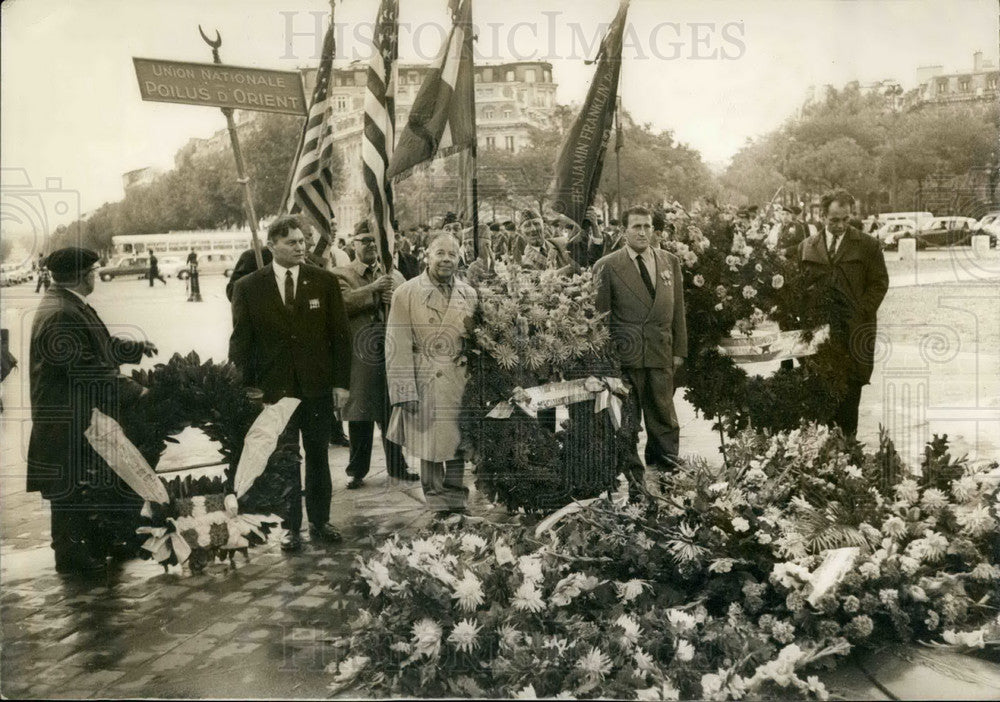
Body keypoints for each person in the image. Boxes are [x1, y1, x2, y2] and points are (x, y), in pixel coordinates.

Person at [27, 247, 158, 573]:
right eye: (93, 272)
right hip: (67, 415)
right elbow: (87, 369)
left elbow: (97, 345)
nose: (95, 277)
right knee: (70, 486)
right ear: (82, 275)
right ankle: (70, 556)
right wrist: (137, 391)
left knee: (88, 479)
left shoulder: (68, 304)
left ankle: (103, 542)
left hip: (77, 412)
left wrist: (134, 348)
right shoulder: (62, 313)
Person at [229, 214, 353, 552]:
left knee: (317, 455)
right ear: (272, 246)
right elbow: (241, 342)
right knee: (285, 459)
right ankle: (290, 527)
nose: (300, 247)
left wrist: (341, 384)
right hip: (274, 390)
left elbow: (340, 337)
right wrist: (245, 387)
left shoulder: (324, 281)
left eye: (302, 241)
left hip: (316, 387)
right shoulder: (248, 287)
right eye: (291, 242)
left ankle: (320, 521)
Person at [594, 206, 688, 481]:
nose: (643, 232)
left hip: (661, 351)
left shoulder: (669, 261)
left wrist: (679, 350)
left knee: (664, 416)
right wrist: (607, 362)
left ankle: (668, 472)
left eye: (647, 226)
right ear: (623, 230)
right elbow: (601, 319)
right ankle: (635, 479)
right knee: (628, 420)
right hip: (627, 356)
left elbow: (678, 310)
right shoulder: (607, 266)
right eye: (636, 226)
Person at [386, 234, 477, 515]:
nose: (446, 259)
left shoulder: (469, 293)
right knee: (431, 447)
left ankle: (457, 498)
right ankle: (437, 503)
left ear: (459, 258)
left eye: (452, 254)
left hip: (459, 378)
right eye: (440, 253)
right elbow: (396, 344)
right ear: (428, 255)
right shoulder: (406, 292)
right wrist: (404, 391)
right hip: (425, 377)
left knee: (458, 444)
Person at [332, 222, 419, 489]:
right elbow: (341, 304)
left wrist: (396, 299)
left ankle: (397, 466)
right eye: (365, 240)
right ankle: (357, 470)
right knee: (360, 415)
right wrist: (373, 290)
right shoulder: (342, 274)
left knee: (392, 412)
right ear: (353, 244)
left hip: (391, 354)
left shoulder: (394, 275)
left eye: (375, 241)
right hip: (360, 356)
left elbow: (412, 305)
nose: (371, 245)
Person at [796, 190, 888, 441]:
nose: (840, 225)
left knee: (849, 399)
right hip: (819, 337)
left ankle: (848, 452)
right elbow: (798, 289)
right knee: (819, 398)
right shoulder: (806, 247)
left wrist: (860, 312)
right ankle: (822, 453)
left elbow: (879, 283)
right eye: (834, 220)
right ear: (822, 216)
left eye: (846, 219)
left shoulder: (868, 246)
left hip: (852, 334)